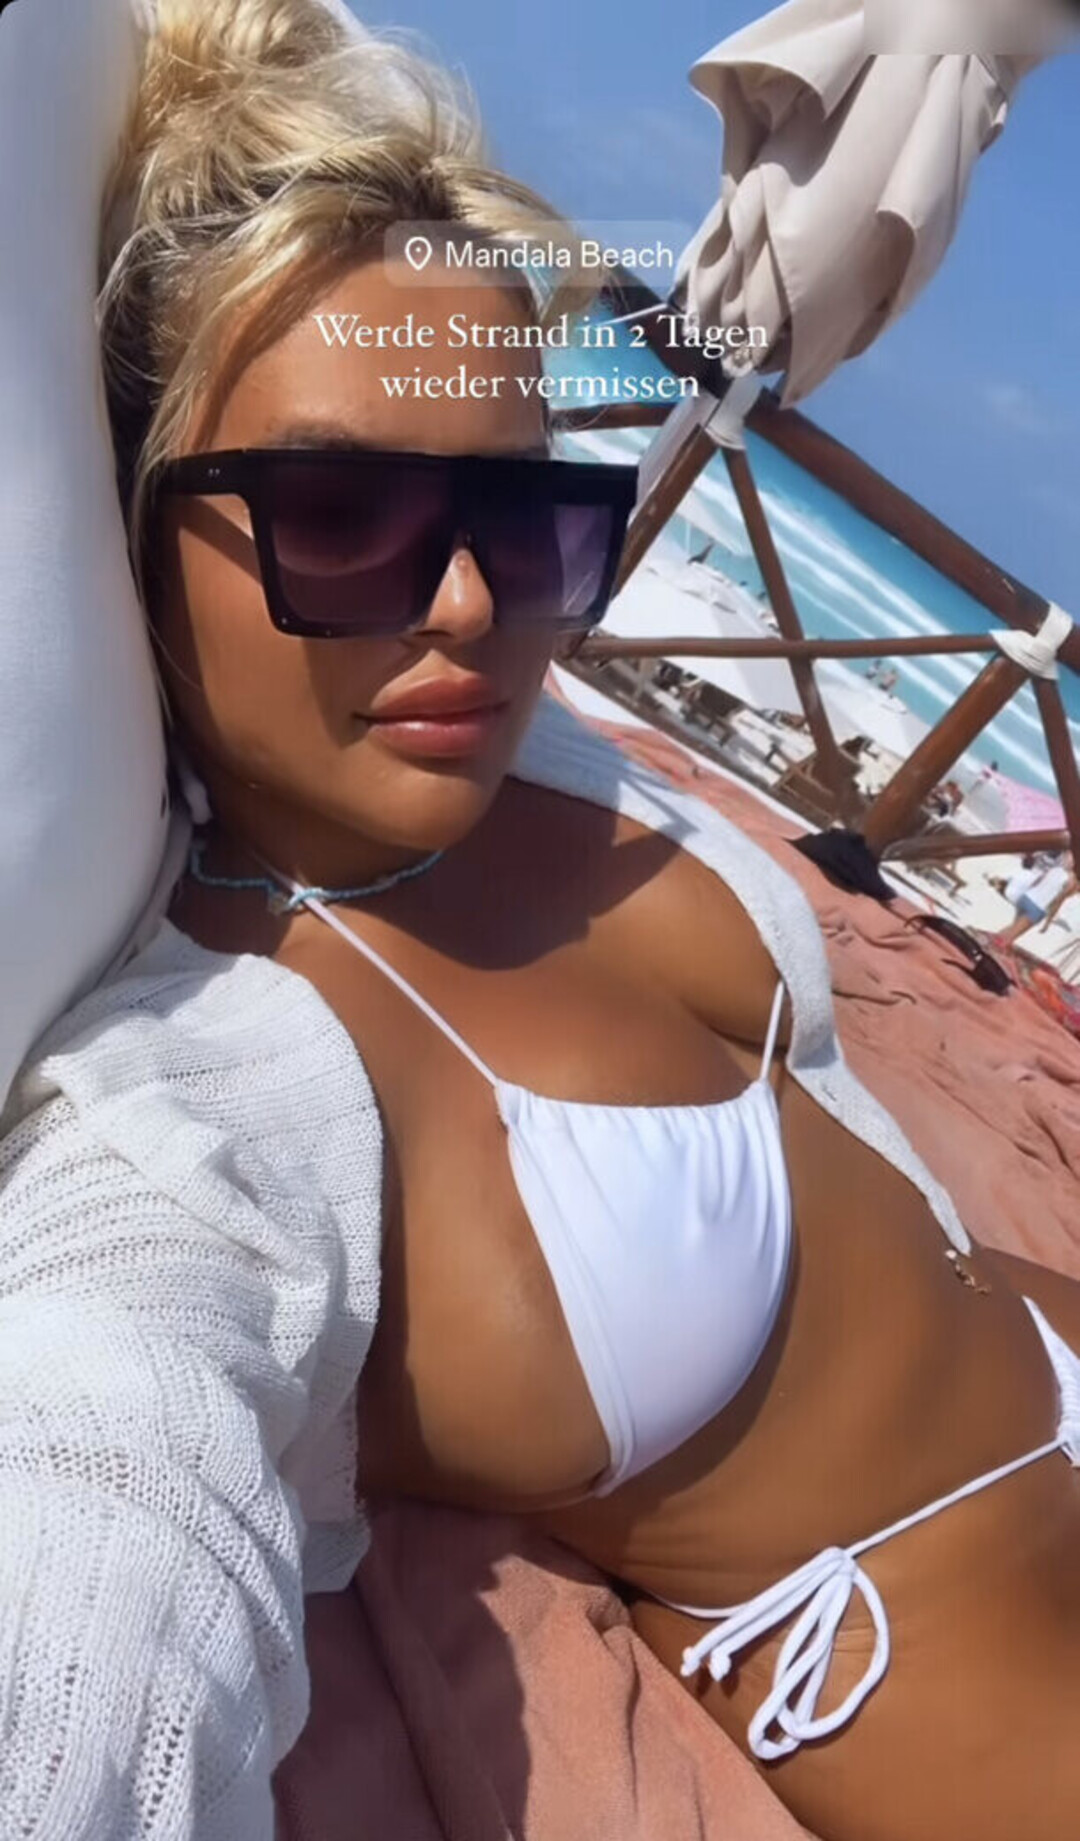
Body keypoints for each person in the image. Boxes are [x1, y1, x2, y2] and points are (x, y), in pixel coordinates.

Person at [2, 6, 1079, 1838]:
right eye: (341, 510)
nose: (467, 609)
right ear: (135, 526)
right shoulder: (211, 1098)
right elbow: (103, 1533)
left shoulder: (552, 768)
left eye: (529, 518)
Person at [999, 851, 1075, 947]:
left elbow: (1036, 882)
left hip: (1025, 898)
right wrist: (1047, 923)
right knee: (1010, 937)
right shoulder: (1071, 881)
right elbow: (1057, 902)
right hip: (1037, 909)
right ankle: (991, 946)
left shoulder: (1055, 869)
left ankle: (990, 940)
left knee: (1012, 929)